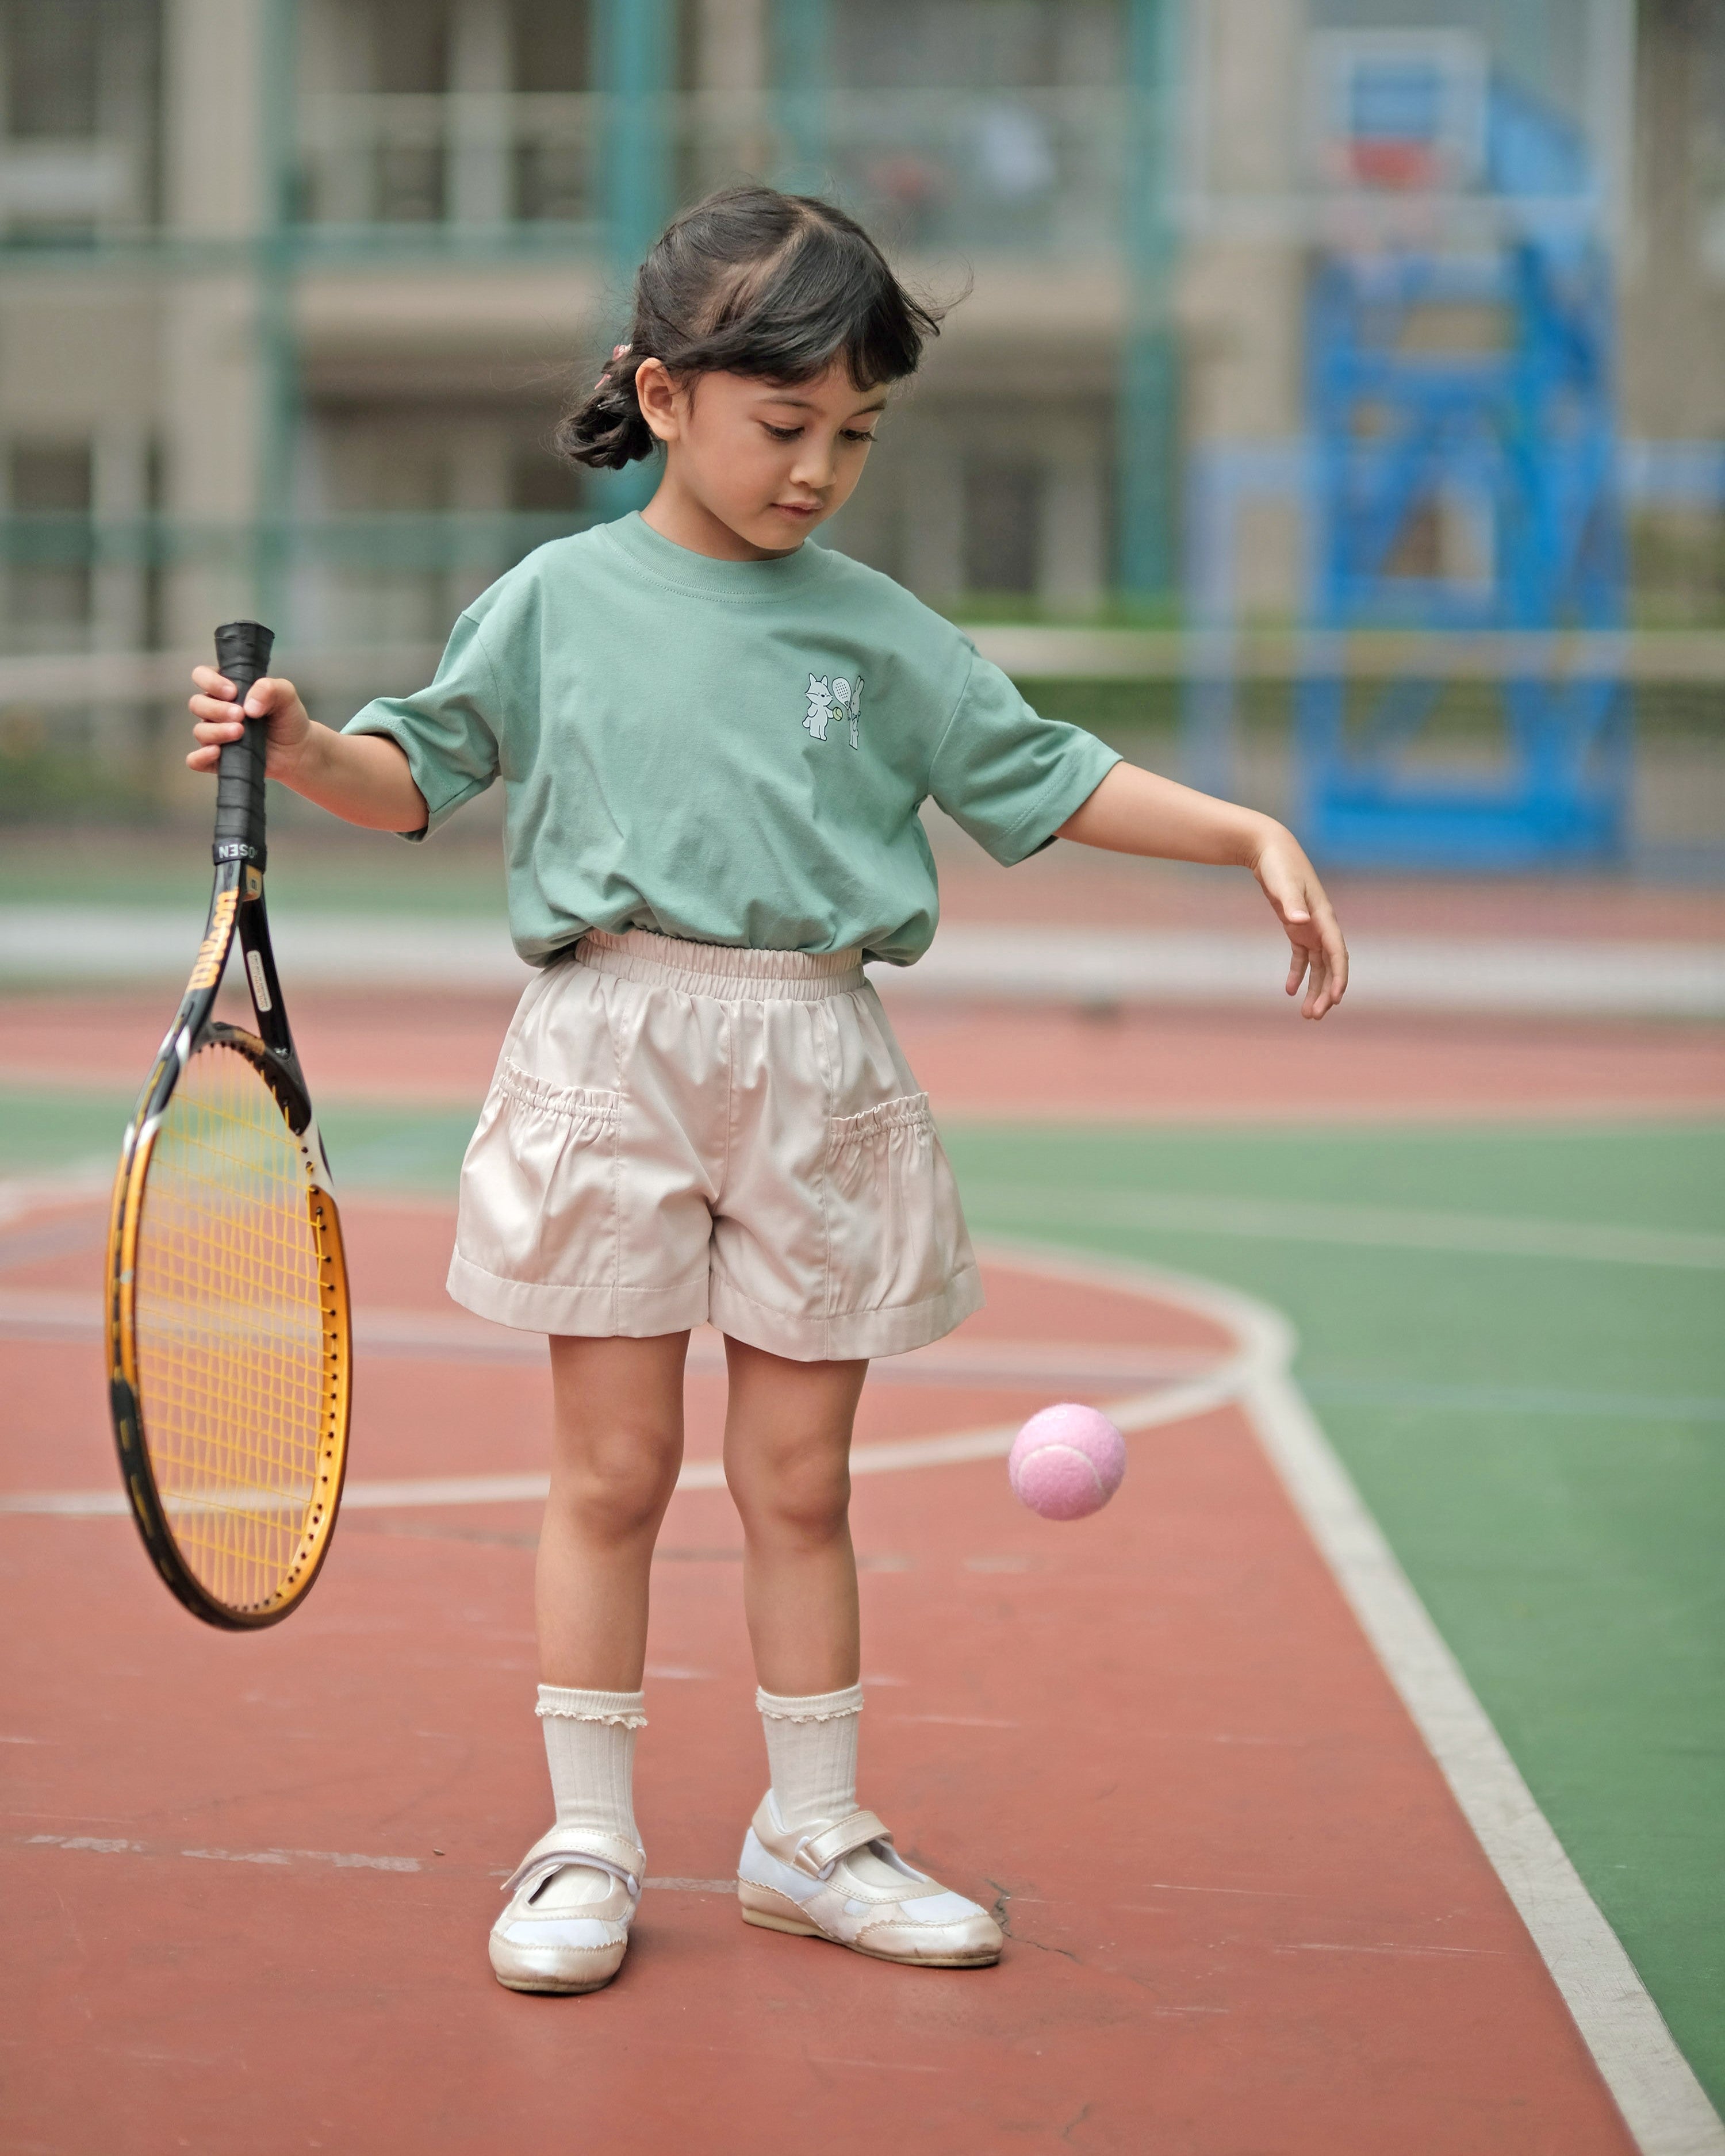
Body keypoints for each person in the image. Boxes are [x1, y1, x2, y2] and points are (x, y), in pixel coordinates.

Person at [188, 185, 1348, 1996]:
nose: (820, 466)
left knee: (802, 1481)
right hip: (611, 1051)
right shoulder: (558, 600)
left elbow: (1039, 772)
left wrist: (1245, 833)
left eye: (857, 434)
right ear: (664, 398)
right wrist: (307, 745)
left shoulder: (876, 633)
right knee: (616, 1469)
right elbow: (412, 772)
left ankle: (811, 1835)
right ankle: (586, 1841)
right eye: (784, 423)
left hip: (818, 1058)